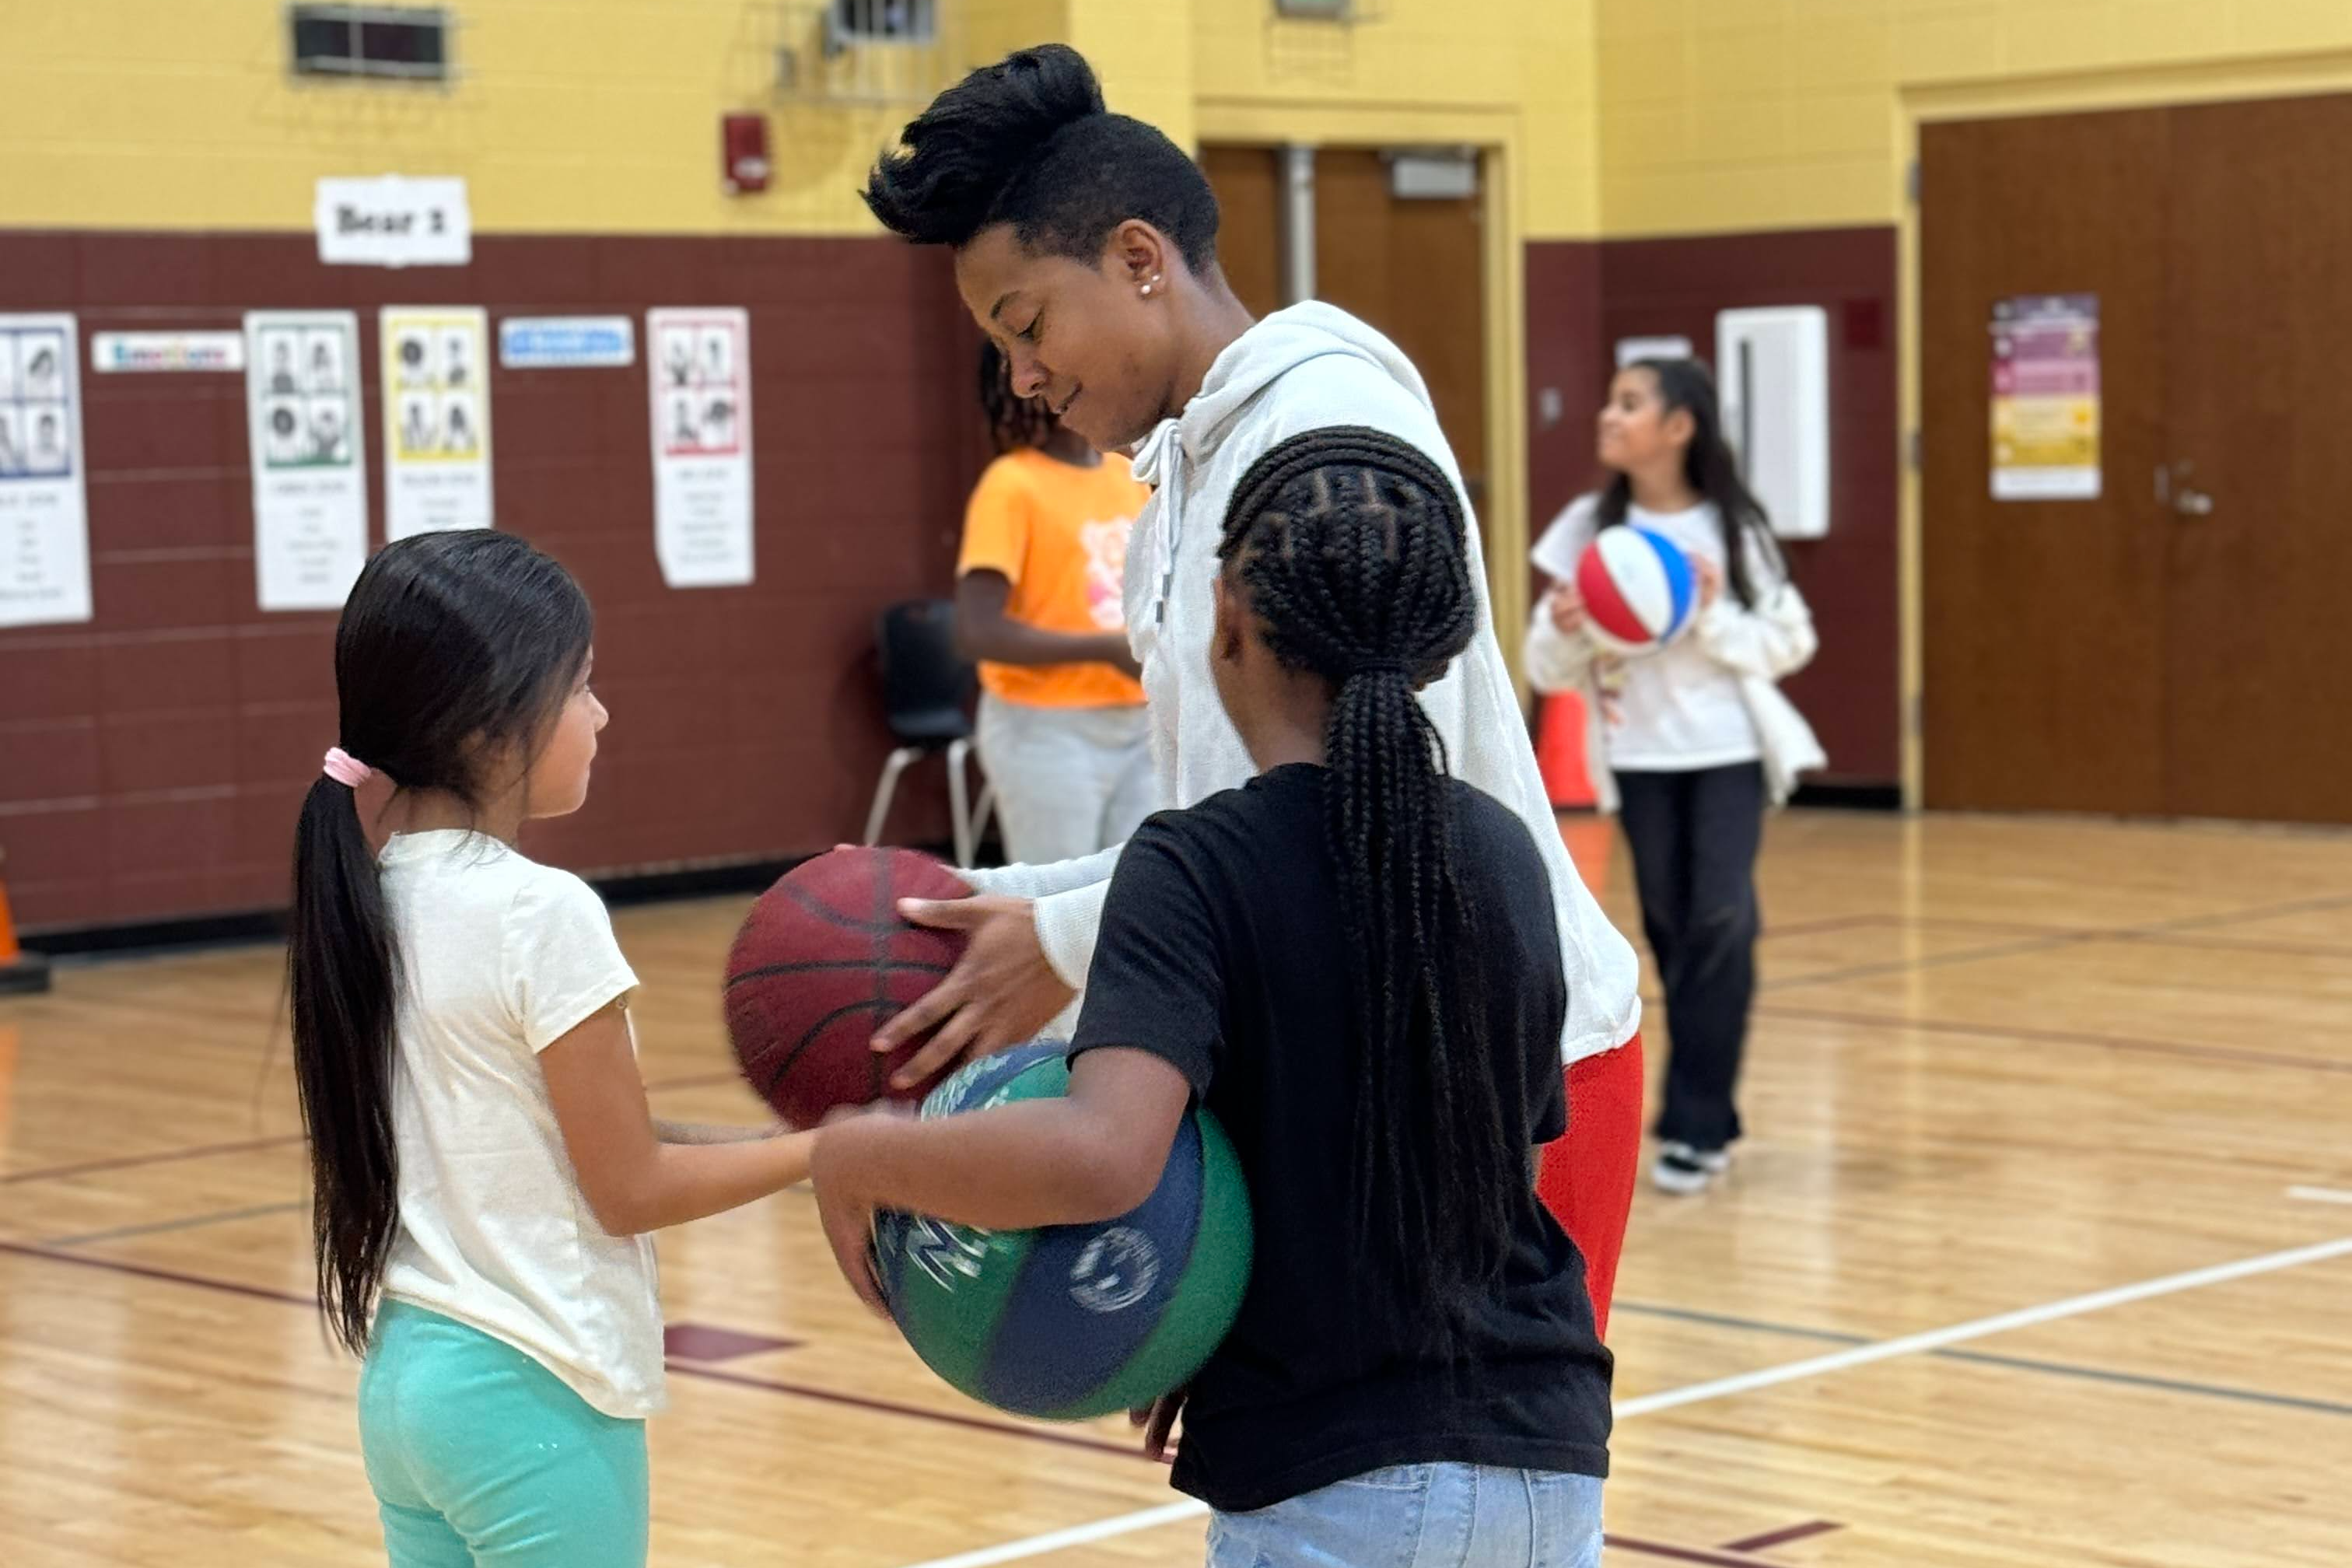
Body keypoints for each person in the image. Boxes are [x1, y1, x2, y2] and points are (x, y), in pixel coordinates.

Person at [859, 44, 1645, 1332]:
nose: (1021, 380)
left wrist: (1063, 944)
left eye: (1024, 326)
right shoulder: (1181, 466)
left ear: (1134, 259)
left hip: (1500, 1075)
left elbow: (1365, 809)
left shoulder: (1326, 437)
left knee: (1462, 1504)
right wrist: (972, 900)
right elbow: (1220, 825)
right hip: (1355, 1071)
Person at [813, 431, 1610, 1564]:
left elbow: (1102, 1156)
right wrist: (1209, 1312)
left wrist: (856, 1156)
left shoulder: (1195, 866)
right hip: (1550, 1456)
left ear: (1226, 613)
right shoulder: (1505, 851)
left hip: (1341, 1482)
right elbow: (1497, 1177)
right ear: (1441, 640)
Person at [286, 530, 818, 1567]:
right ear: (492, 731)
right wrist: (836, 1153)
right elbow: (628, 1187)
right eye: (582, 687)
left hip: (410, 1384)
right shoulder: (540, 910)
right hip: (535, 1384)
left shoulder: (373, 894)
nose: (601, 714)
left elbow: (576, 1138)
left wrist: (787, 1144)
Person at [1525, 359, 1823, 1195]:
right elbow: (1547, 668)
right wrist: (1570, 626)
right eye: (1609, 400)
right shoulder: (1587, 527)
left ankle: (1698, 1121)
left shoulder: (1731, 525)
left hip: (1726, 754)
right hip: (1639, 761)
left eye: (1629, 404)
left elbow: (1790, 640)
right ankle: (1704, 1111)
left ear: (1679, 426)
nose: (1608, 416)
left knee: (1721, 919)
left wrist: (1710, 613)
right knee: (1672, 930)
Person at [954, 338, 1154, 863]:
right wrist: (1106, 650)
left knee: (1133, 897)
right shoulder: (1012, 485)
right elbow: (978, 631)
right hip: (1044, 729)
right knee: (1054, 901)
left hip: (1142, 723)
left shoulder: (1128, 476)